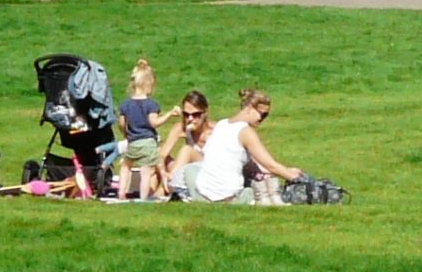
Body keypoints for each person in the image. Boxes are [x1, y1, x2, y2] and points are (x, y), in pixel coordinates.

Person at [171, 88, 305, 205]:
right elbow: (270, 164)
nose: (262, 119)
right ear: (248, 108)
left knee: (192, 169)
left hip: (202, 194)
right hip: (227, 197)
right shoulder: (245, 132)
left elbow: (254, 165)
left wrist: (286, 170)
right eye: (261, 114)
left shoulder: (222, 125)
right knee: (256, 191)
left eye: (266, 115)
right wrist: (296, 178)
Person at [115, 60, 165, 201]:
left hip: (133, 142)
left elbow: (121, 123)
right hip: (148, 142)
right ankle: (143, 197)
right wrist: (169, 115)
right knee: (145, 171)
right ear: (148, 84)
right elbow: (154, 123)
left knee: (126, 166)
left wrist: (125, 133)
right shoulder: (151, 104)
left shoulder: (125, 104)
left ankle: (121, 193)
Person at [155, 90, 211, 182]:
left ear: (205, 113)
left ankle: (172, 183)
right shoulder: (181, 128)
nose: (190, 119)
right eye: (186, 114)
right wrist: (163, 173)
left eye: (195, 115)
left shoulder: (215, 131)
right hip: (186, 170)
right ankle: (149, 194)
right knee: (156, 157)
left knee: (187, 150)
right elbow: (162, 155)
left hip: (206, 173)